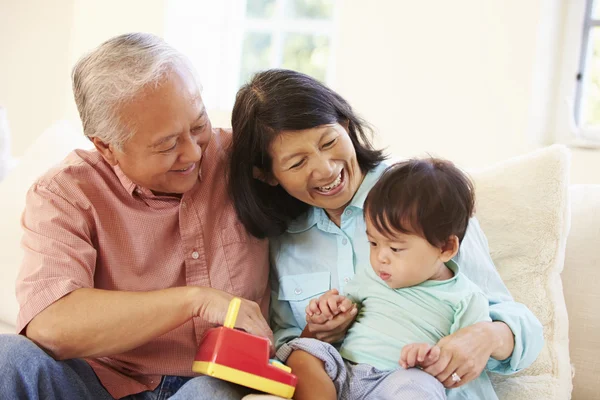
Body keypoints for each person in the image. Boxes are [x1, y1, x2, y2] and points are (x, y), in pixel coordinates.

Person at [228, 69, 544, 400]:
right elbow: (289, 345)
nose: (325, 169)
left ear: (346, 125)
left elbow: (520, 324)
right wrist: (316, 332)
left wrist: (485, 336)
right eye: (297, 163)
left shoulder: (419, 199)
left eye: (329, 142)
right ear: (268, 176)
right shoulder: (284, 239)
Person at [0, 33, 272, 400]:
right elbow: (50, 325)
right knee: (8, 358)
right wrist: (195, 300)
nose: (193, 153)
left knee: (212, 394)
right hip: (101, 383)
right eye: (167, 144)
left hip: (215, 381)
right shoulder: (65, 192)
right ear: (106, 147)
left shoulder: (243, 158)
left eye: (198, 125)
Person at [280, 158, 498, 399]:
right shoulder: (370, 275)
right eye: (373, 243)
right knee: (304, 352)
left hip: (399, 380)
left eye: (395, 249)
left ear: (445, 247)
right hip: (347, 373)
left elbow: (464, 361)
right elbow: (345, 311)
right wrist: (330, 311)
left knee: (419, 386)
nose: (380, 257)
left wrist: (430, 357)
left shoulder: (465, 298)